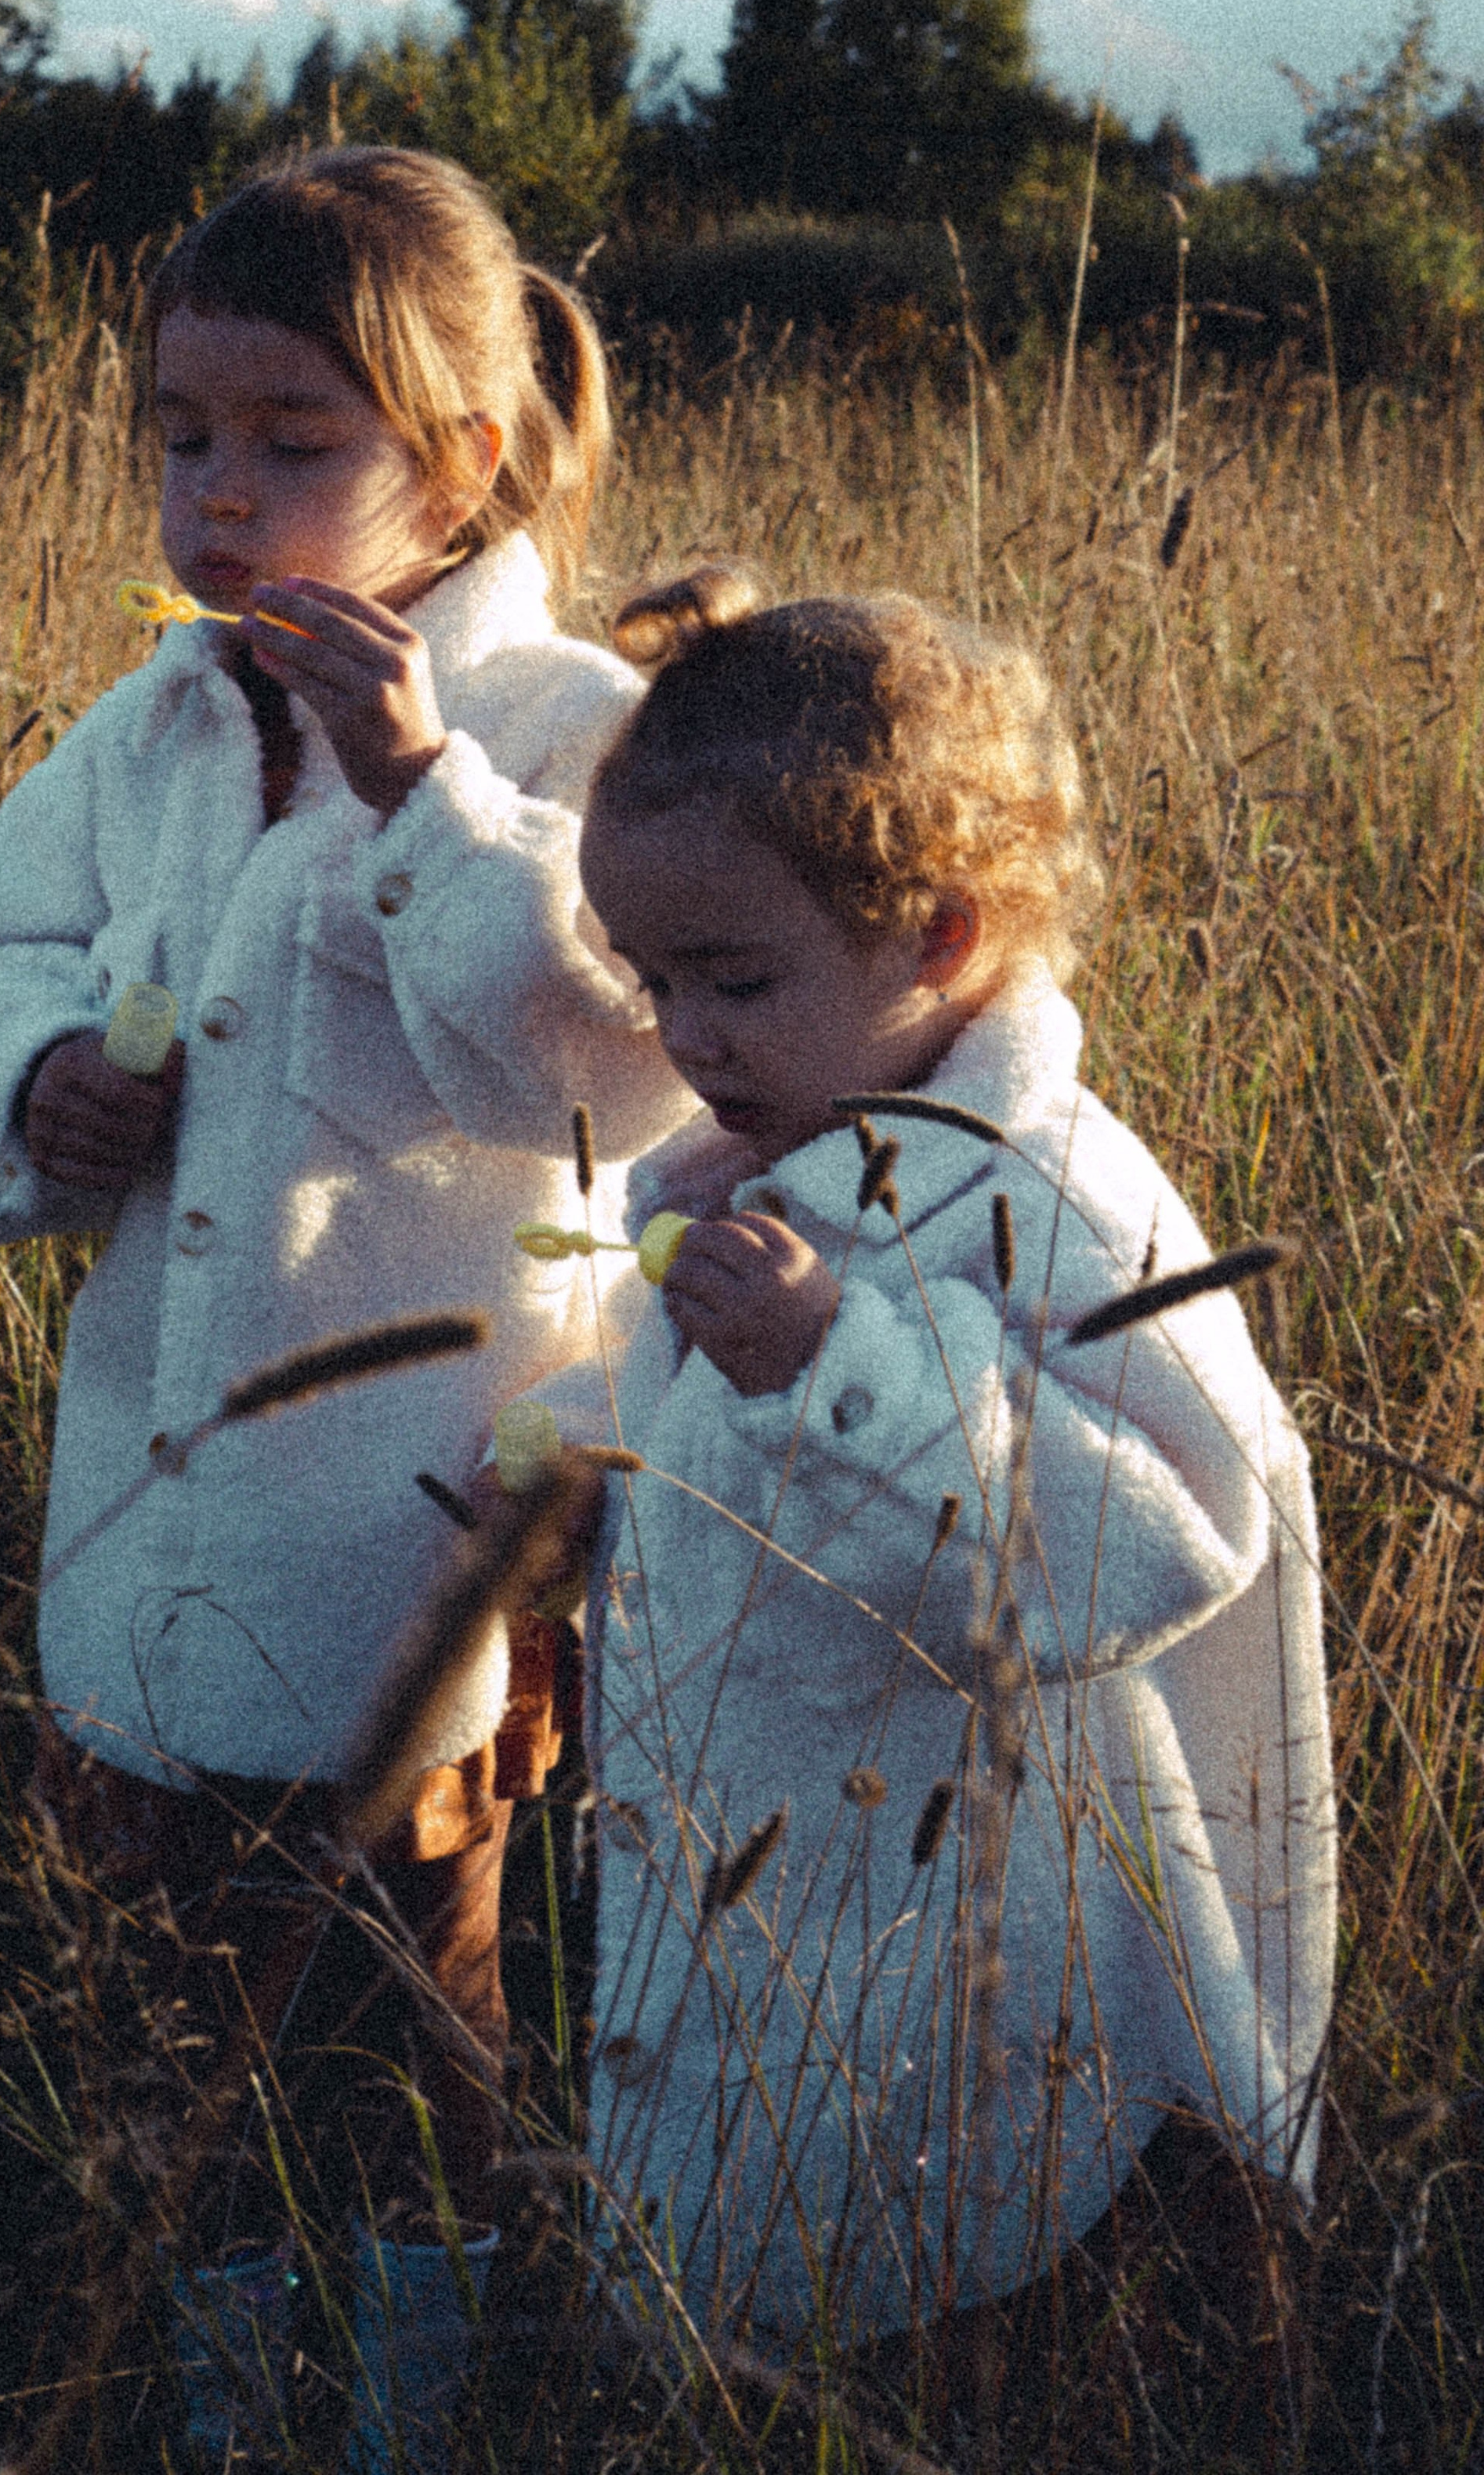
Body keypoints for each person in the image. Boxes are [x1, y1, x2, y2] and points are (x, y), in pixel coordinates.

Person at [0, 150, 690, 2444]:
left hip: (405, 1544)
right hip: (149, 1525)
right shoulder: (153, 729)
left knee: (404, 2021)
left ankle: (424, 2401)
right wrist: (37, 1084)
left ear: (471, 459)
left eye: (293, 443)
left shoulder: (561, 732)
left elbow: (627, 1050)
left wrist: (422, 793)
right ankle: (216, 2390)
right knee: (159, 2026)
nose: (220, 493)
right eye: (180, 433)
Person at [545, 570, 1333, 2393]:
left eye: (737, 979)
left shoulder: (1047, 1193)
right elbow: (721, 1490)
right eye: (650, 981)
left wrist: (845, 1372)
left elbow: (1177, 1531)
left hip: (987, 1923)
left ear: (941, 938)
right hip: (761, 1875)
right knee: (768, 2253)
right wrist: (612, 1505)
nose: (686, 1037)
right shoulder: (737, 1170)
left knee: (969, 2303)